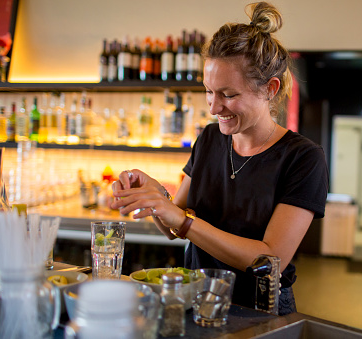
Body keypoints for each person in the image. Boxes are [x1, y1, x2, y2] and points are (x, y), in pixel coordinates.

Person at [111, 1, 328, 315]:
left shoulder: (303, 158)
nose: (214, 108)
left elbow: (270, 259)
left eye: (228, 94)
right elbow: (174, 226)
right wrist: (156, 196)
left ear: (270, 89)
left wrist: (183, 221)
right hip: (195, 298)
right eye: (209, 91)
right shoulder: (210, 138)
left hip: (257, 310)